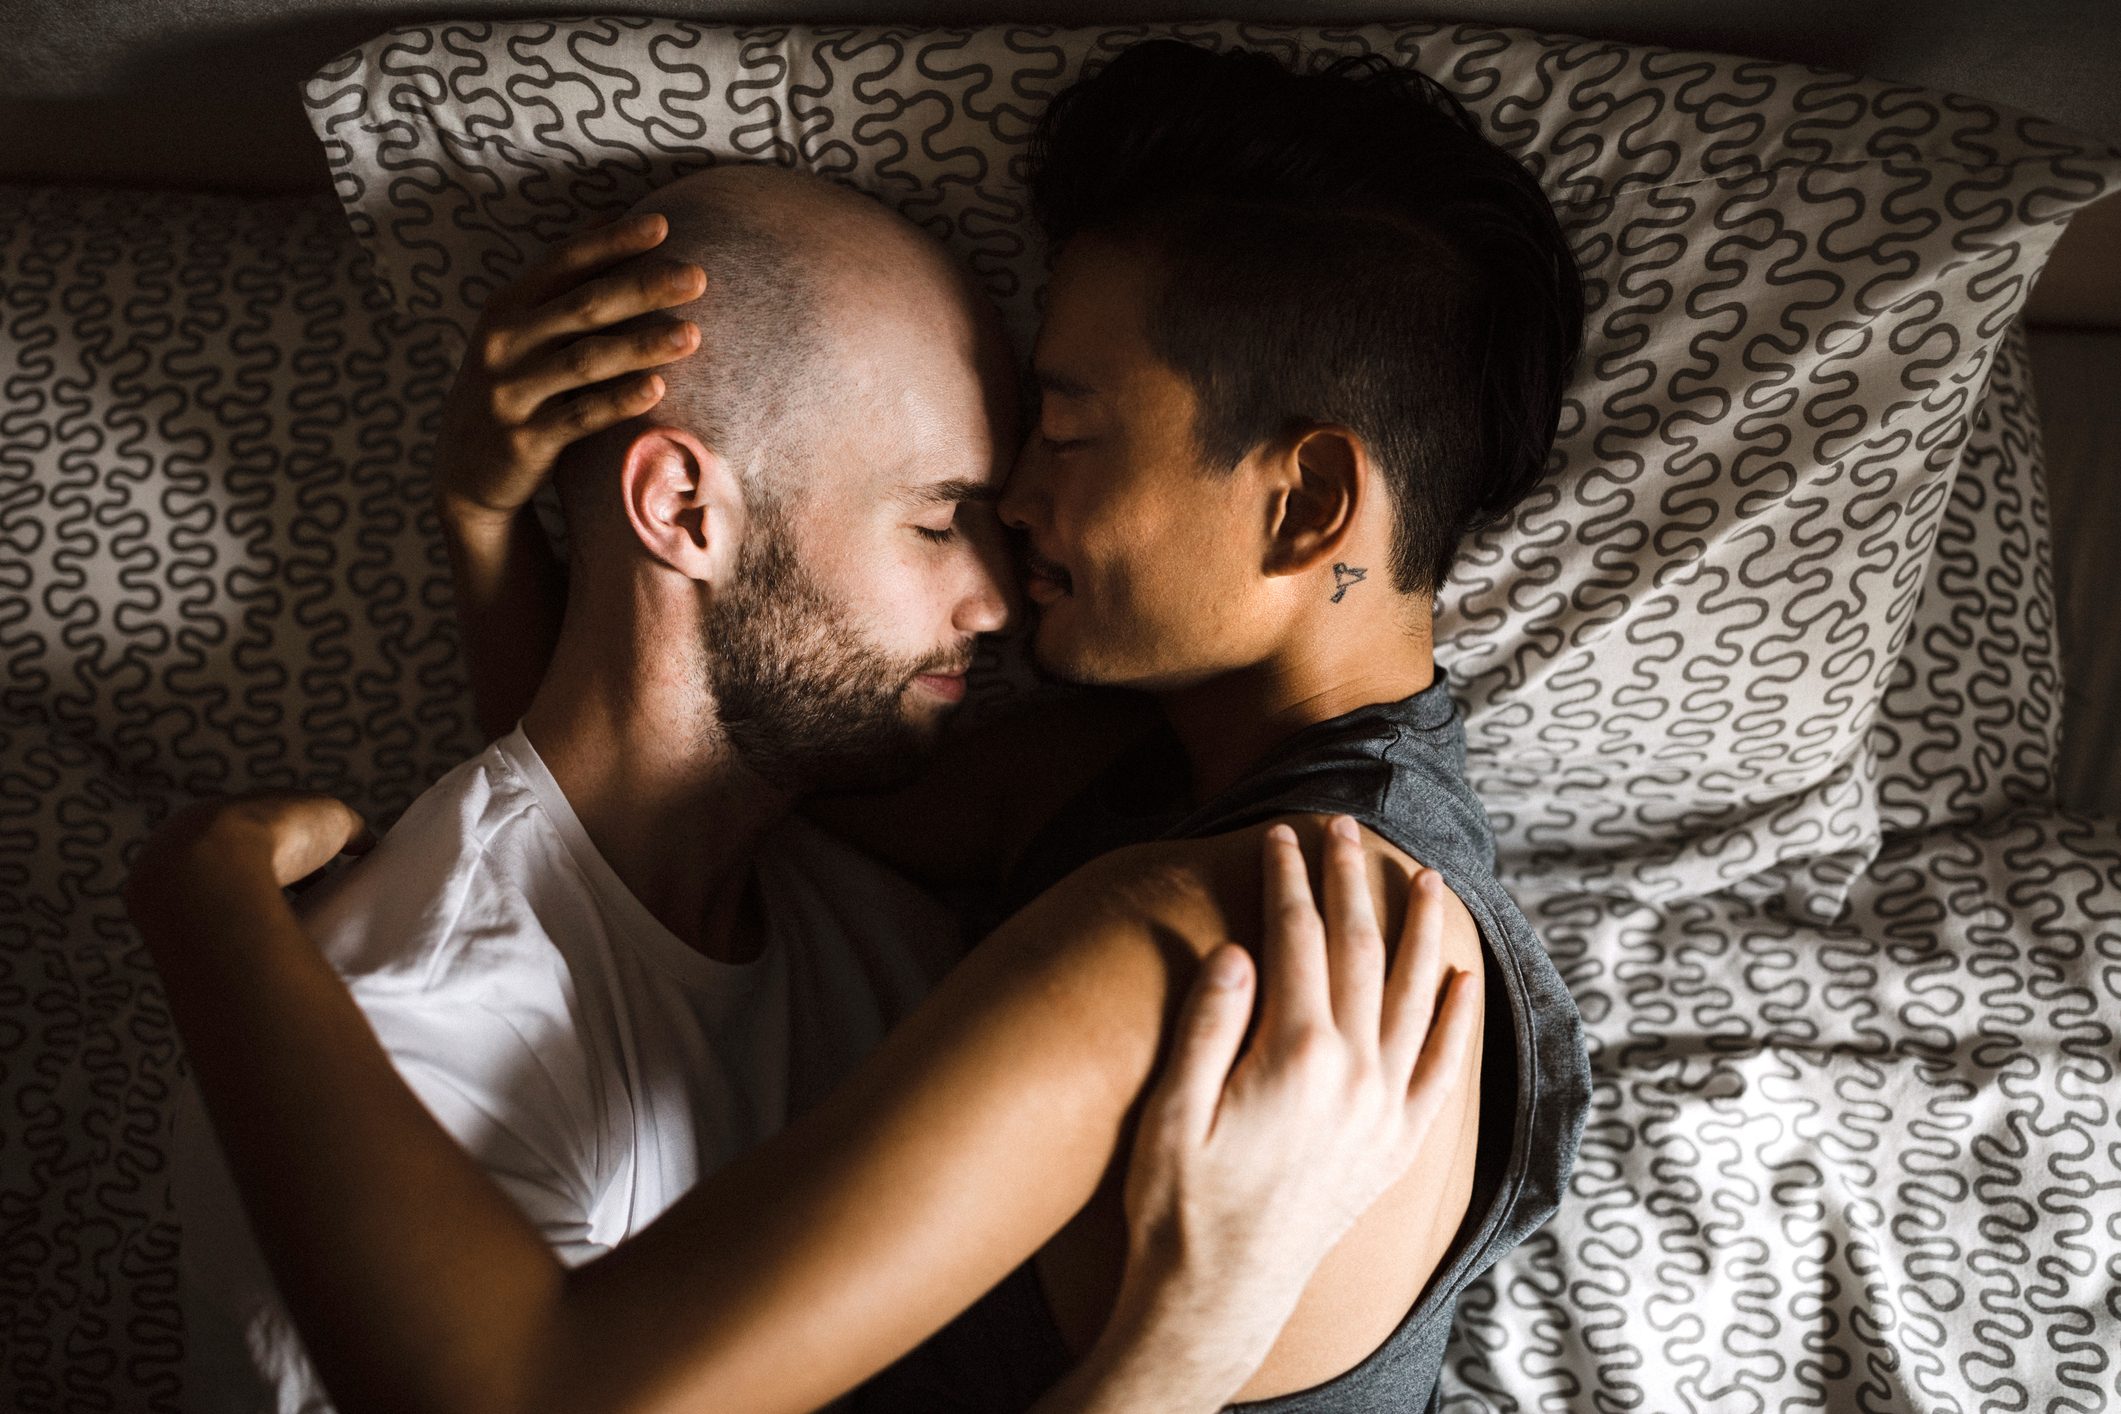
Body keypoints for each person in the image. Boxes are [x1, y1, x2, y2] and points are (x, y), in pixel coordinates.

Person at [133, 36, 1589, 1414]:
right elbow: (681, 781)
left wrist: (205, 908)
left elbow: (536, 1392)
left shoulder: (1222, 942)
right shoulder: (1139, 787)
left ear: (1307, 504)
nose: (1012, 519)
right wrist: (495, 520)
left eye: (1067, 430)